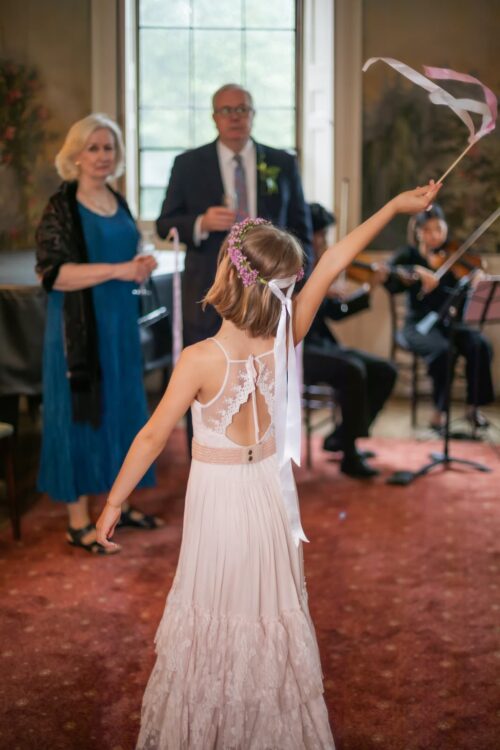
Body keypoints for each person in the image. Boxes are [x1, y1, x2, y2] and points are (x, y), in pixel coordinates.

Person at [96, 181, 439, 745]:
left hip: (224, 507)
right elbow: (336, 258)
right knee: (265, 613)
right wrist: (395, 206)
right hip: (271, 501)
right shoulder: (288, 335)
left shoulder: (201, 359)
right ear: (282, 289)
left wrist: (114, 502)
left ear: (228, 275)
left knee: (219, 612)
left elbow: (153, 436)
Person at [35, 113, 164, 555]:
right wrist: (120, 270)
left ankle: (118, 504)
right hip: (79, 330)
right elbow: (54, 275)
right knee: (79, 416)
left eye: (108, 147)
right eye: (92, 147)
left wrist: (140, 262)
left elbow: (126, 254)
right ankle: (77, 522)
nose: (101, 156)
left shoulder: (117, 199)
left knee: (124, 412)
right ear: (75, 155)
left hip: (119, 325)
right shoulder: (61, 207)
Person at [156, 82, 313, 347]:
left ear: (253, 115)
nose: (235, 116)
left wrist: (298, 283)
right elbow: (165, 225)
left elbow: (301, 228)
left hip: (270, 289)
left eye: (242, 109)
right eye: (226, 110)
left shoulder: (282, 163)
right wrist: (200, 223)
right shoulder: (188, 164)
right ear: (214, 117)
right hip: (209, 288)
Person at [304, 203, 397, 477]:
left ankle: (343, 436)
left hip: (324, 346)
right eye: (320, 235)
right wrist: (320, 290)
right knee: (353, 370)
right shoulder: (298, 267)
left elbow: (337, 313)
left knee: (385, 370)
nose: (324, 242)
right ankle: (349, 455)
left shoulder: (318, 267)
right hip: (300, 351)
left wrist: (369, 287)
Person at [384, 204, 494, 431]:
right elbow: (388, 275)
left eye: (438, 229)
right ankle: (439, 412)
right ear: (417, 232)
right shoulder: (408, 255)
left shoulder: (454, 257)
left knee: (480, 345)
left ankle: (474, 407)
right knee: (443, 351)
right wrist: (416, 271)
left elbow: (466, 293)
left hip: (449, 322)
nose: (434, 235)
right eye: (428, 230)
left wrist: (475, 283)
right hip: (418, 326)